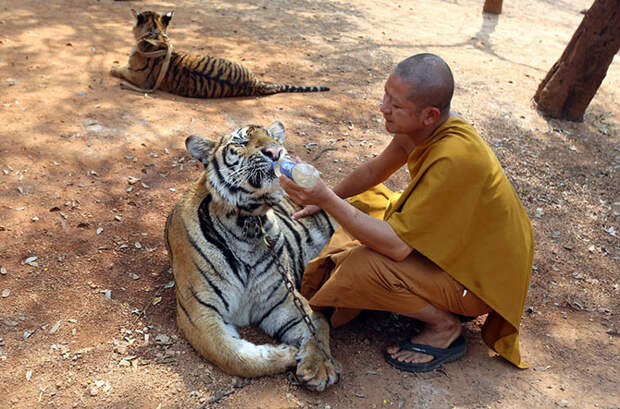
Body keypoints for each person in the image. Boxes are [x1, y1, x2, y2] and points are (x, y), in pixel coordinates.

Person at [278, 53, 534, 372]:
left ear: (429, 114)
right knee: (366, 198)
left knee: (364, 266)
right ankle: (416, 295)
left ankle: (445, 327)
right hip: (460, 254)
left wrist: (327, 200)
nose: (384, 107)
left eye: (396, 105)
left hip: (477, 284)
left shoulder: (454, 158)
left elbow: (397, 248)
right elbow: (374, 171)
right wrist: (326, 196)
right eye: (386, 94)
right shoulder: (423, 129)